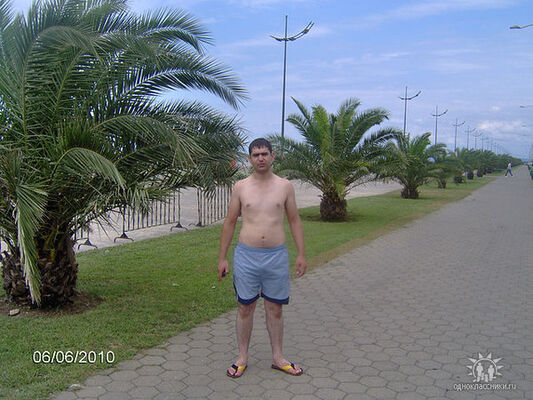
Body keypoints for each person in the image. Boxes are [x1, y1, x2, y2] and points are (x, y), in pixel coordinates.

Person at [218, 138, 307, 378]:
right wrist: (222, 258)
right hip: (246, 256)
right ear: (249, 159)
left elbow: (294, 220)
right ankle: (242, 357)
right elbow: (229, 222)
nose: (260, 158)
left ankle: (278, 357)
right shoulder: (241, 187)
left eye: (264, 154)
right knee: (245, 307)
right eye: (256, 155)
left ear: (272, 156)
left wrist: (301, 254)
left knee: (274, 308)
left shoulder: (285, 186)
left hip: (276, 257)